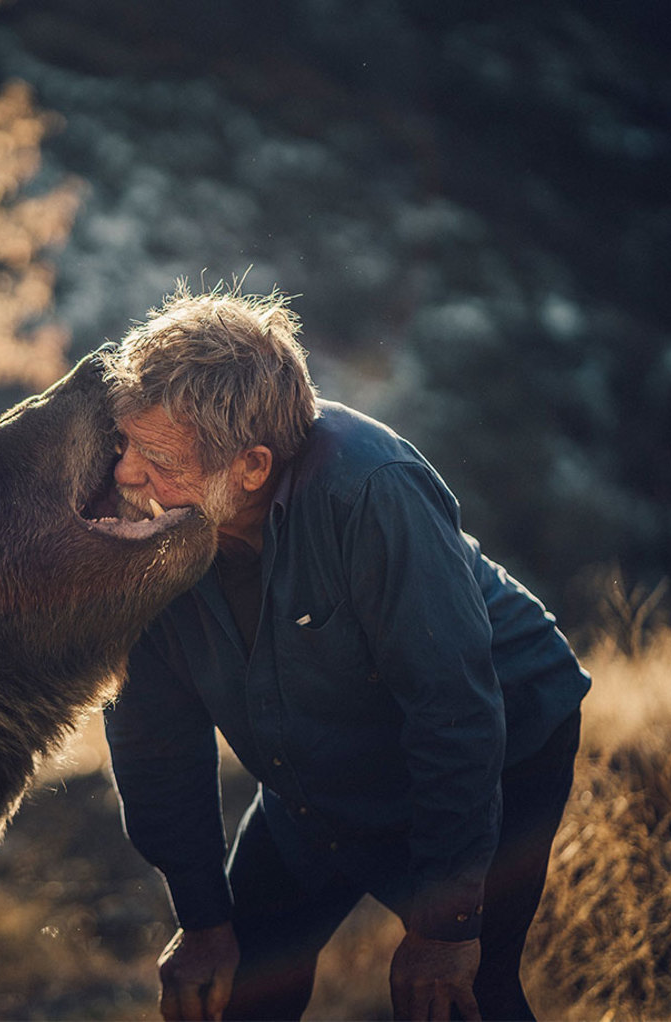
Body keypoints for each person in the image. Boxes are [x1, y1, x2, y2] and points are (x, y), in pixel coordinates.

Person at [99, 285, 590, 1022]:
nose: (127, 475)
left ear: (252, 468)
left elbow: (453, 707)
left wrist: (445, 926)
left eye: (157, 458)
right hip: (318, 773)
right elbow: (152, 736)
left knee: (453, 993)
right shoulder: (149, 531)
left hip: (502, 746)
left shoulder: (370, 491)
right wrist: (203, 920)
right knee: (237, 990)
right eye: (124, 445)